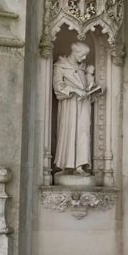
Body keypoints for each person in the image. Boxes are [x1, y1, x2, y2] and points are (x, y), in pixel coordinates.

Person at [53, 41, 102, 174]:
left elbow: (85, 88)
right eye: (83, 55)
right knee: (69, 133)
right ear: (75, 53)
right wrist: (75, 91)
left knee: (83, 133)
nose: (85, 58)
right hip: (69, 106)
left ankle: (80, 166)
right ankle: (66, 166)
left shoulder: (83, 69)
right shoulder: (60, 66)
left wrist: (92, 91)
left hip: (83, 105)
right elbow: (57, 85)